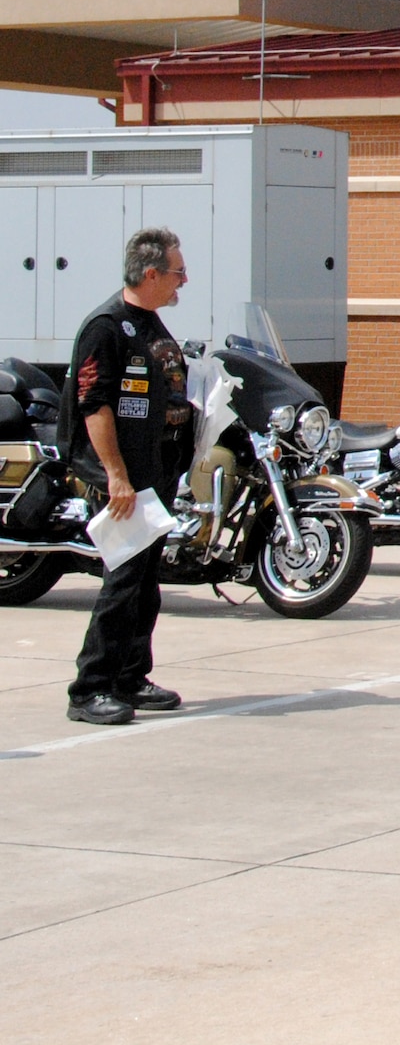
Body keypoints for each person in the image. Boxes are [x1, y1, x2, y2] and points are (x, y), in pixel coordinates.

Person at [63, 228, 194, 725]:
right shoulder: (106, 326)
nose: (185, 281)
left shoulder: (150, 324)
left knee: (145, 583)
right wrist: (116, 476)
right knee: (121, 581)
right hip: (125, 477)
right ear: (152, 273)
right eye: (178, 273)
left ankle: (130, 676)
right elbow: (93, 405)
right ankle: (89, 687)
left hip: (156, 470)